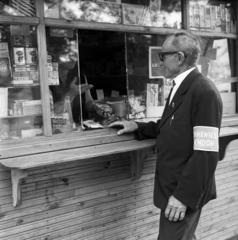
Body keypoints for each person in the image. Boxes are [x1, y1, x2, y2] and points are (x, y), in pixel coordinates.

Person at [109, 32, 223, 240]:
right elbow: (170, 126)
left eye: (162, 56)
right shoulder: (180, 87)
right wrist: (137, 125)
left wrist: (182, 197)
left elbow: (206, 154)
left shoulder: (203, 91)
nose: (159, 62)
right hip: (172, 187)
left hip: (183, 191)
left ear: (179, 58)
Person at [47, 34, 93, 124]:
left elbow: (88, 103)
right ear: (55, 55)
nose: (73, 58)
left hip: (76, 128)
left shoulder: (79, 75)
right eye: (67, 53)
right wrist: (70, 94)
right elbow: (50, 113)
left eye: (75, 53)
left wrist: (97, 107)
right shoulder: (47, 78)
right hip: (56, 130)